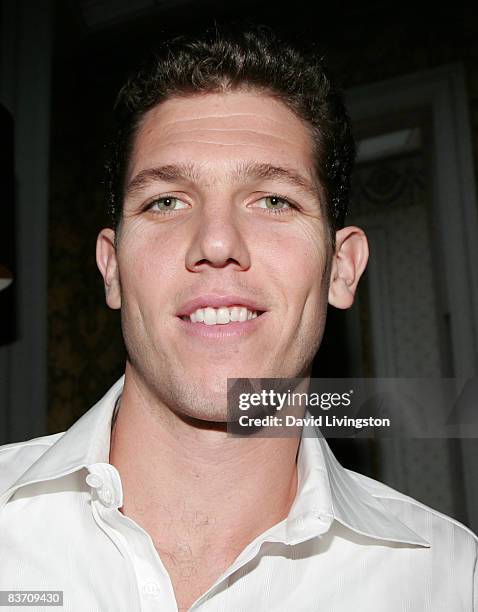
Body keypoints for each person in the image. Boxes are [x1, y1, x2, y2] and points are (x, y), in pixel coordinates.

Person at [0, 26, 476, 612]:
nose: (218, 241)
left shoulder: (451, 581)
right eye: (166, 201)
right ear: (112, 268)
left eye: (274, 200)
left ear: (341, 269)